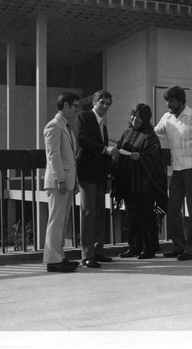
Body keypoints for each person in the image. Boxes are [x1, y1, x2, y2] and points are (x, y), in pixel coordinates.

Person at [155, 86, 192, 261]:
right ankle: (179, 246)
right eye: (167, 101)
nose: (168, 104)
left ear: (181, 101)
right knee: (172, 208)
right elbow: (155, 133)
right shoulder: (167, 118)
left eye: (171, 101)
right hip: (176, 169)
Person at [112, 104, 168, 259]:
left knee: (146, 216)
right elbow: (119, 151)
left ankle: (149, 249)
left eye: (140, 117)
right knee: (131, 216)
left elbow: (155, 158)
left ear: (146, 119)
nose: (135, 120)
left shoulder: (150, 135)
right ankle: (134, 247)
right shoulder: (126, 133)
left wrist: (141, 157)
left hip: (145, 185)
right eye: (134, 116)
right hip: (128, 183)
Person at [73, 89, 120, 268]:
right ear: (94, 102)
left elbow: (104, 153)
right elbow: (81, 140)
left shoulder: (104, 127)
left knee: (99, 212)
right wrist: (104, 149)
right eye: (102, 102)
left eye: (108, 104)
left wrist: (108, 174)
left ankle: (98, 251)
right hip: (86, 173)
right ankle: (87, 255)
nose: (105, 106)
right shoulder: (83, 117)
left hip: (100, 175)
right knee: (88, 212)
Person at [43, 92, 81, 273]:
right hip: (59, 182)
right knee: (56, 221)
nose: (76, 109)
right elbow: (53, 155)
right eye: (74, 106)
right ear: (65, 105)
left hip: (66, 182)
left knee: (62, 221)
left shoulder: (65, 126)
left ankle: (59, 257)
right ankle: (53, 260)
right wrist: (61, 179)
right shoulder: (54, 126)